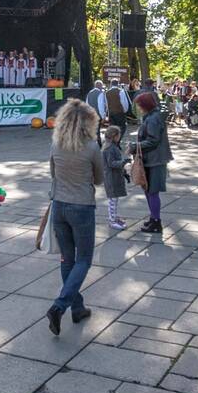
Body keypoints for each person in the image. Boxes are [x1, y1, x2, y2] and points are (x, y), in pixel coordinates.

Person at [45, 99, 103, 335]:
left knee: (67, 259)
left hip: (59, 205)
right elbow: (99, 178)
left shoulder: (56, 145)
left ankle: (76, 308)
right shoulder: (91, 147)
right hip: (82, 206)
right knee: (84, 259)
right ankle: (59, 306)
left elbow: (52, 174)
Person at [130, 92, 173, 233]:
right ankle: (154, 218)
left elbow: (153, 141)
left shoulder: (153, 119)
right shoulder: (152, 117)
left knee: (152, 192)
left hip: (155, 160)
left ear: (145, 105)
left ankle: (156, 222)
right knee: (149, 191)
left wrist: (136, 146)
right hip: (153, 159)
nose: (138, 108)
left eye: (139, 105)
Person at [102, 125, 129, 230]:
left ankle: (114, 217)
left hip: (114, 176)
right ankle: (112, 220)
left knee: (114, 199)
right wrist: (123, 162)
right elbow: (112, 163)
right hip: (111, 177)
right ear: (114, 136)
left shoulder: (110, 146)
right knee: (113, 200)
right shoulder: (109, 148)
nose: (120, 137)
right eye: (119, 135)